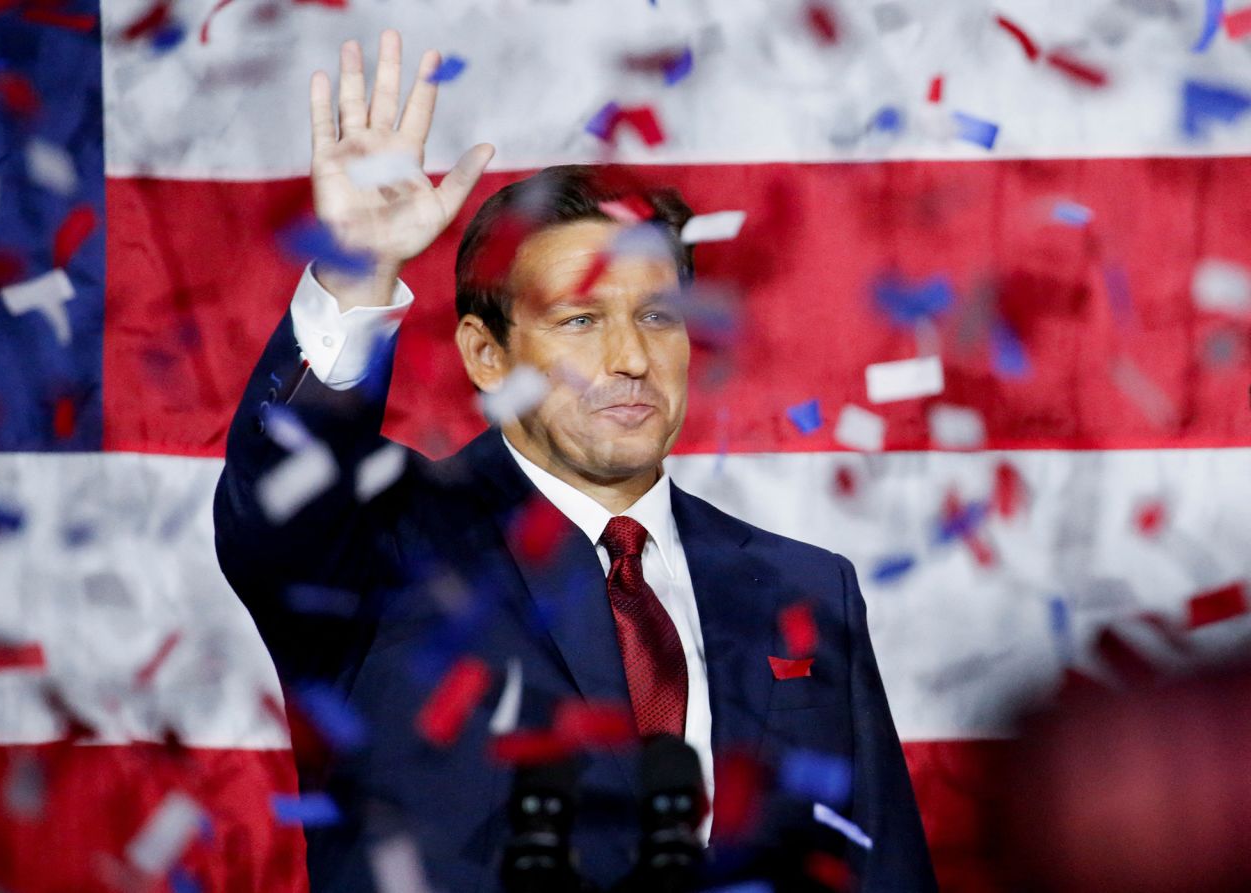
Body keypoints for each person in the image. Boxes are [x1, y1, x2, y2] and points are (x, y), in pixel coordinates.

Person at [214, 29, 936, 893]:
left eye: (658, 317)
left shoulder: (809, 593)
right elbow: (276, 502)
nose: (630, 357)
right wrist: (358, 275)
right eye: (580, 320)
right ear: (486, 356)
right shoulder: (383, 544)